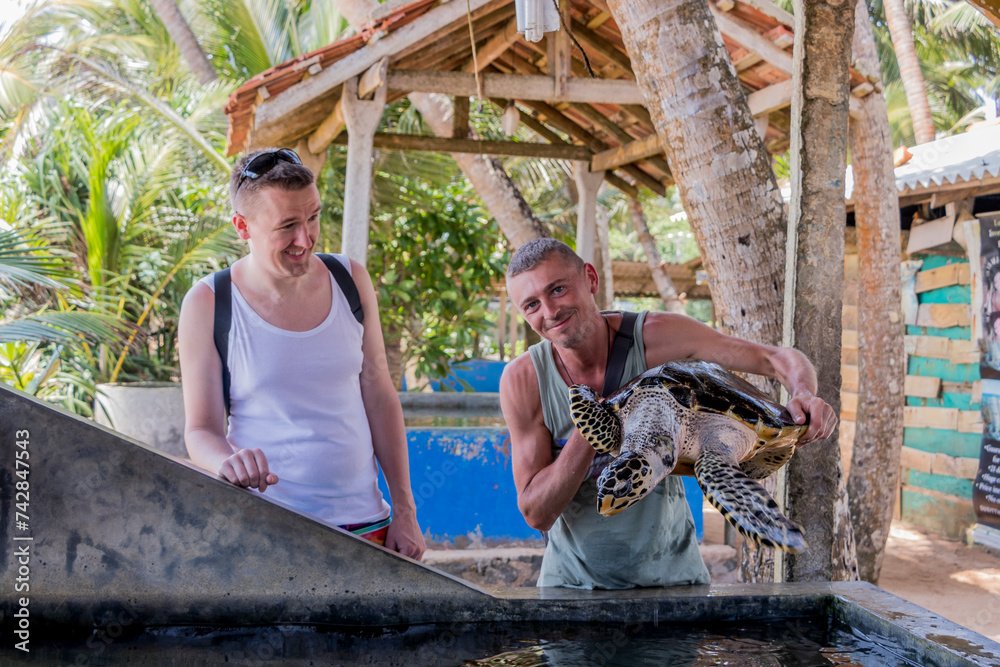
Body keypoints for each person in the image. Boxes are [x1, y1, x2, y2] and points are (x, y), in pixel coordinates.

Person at [499, 238, 837, 589]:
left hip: (674, 582)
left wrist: (804, 394)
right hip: (570, 587)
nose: (550, 311)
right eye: (531, 304)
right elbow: (537, 513)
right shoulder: (524, 379)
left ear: (590, 279)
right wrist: (593, 427)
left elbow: (775, 358)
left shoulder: (658, 337)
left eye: (558, 289)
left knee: (712, 466)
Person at [179, 147, 425, 559]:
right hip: (267, 531)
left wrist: (405, 510)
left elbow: (380, 396)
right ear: (243, 227)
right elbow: (200, 430)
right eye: (288, 225)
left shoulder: (351, 279)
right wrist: (227, 462)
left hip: (367, 526)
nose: (305, 238)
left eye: (313, 218)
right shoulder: (209, 301)